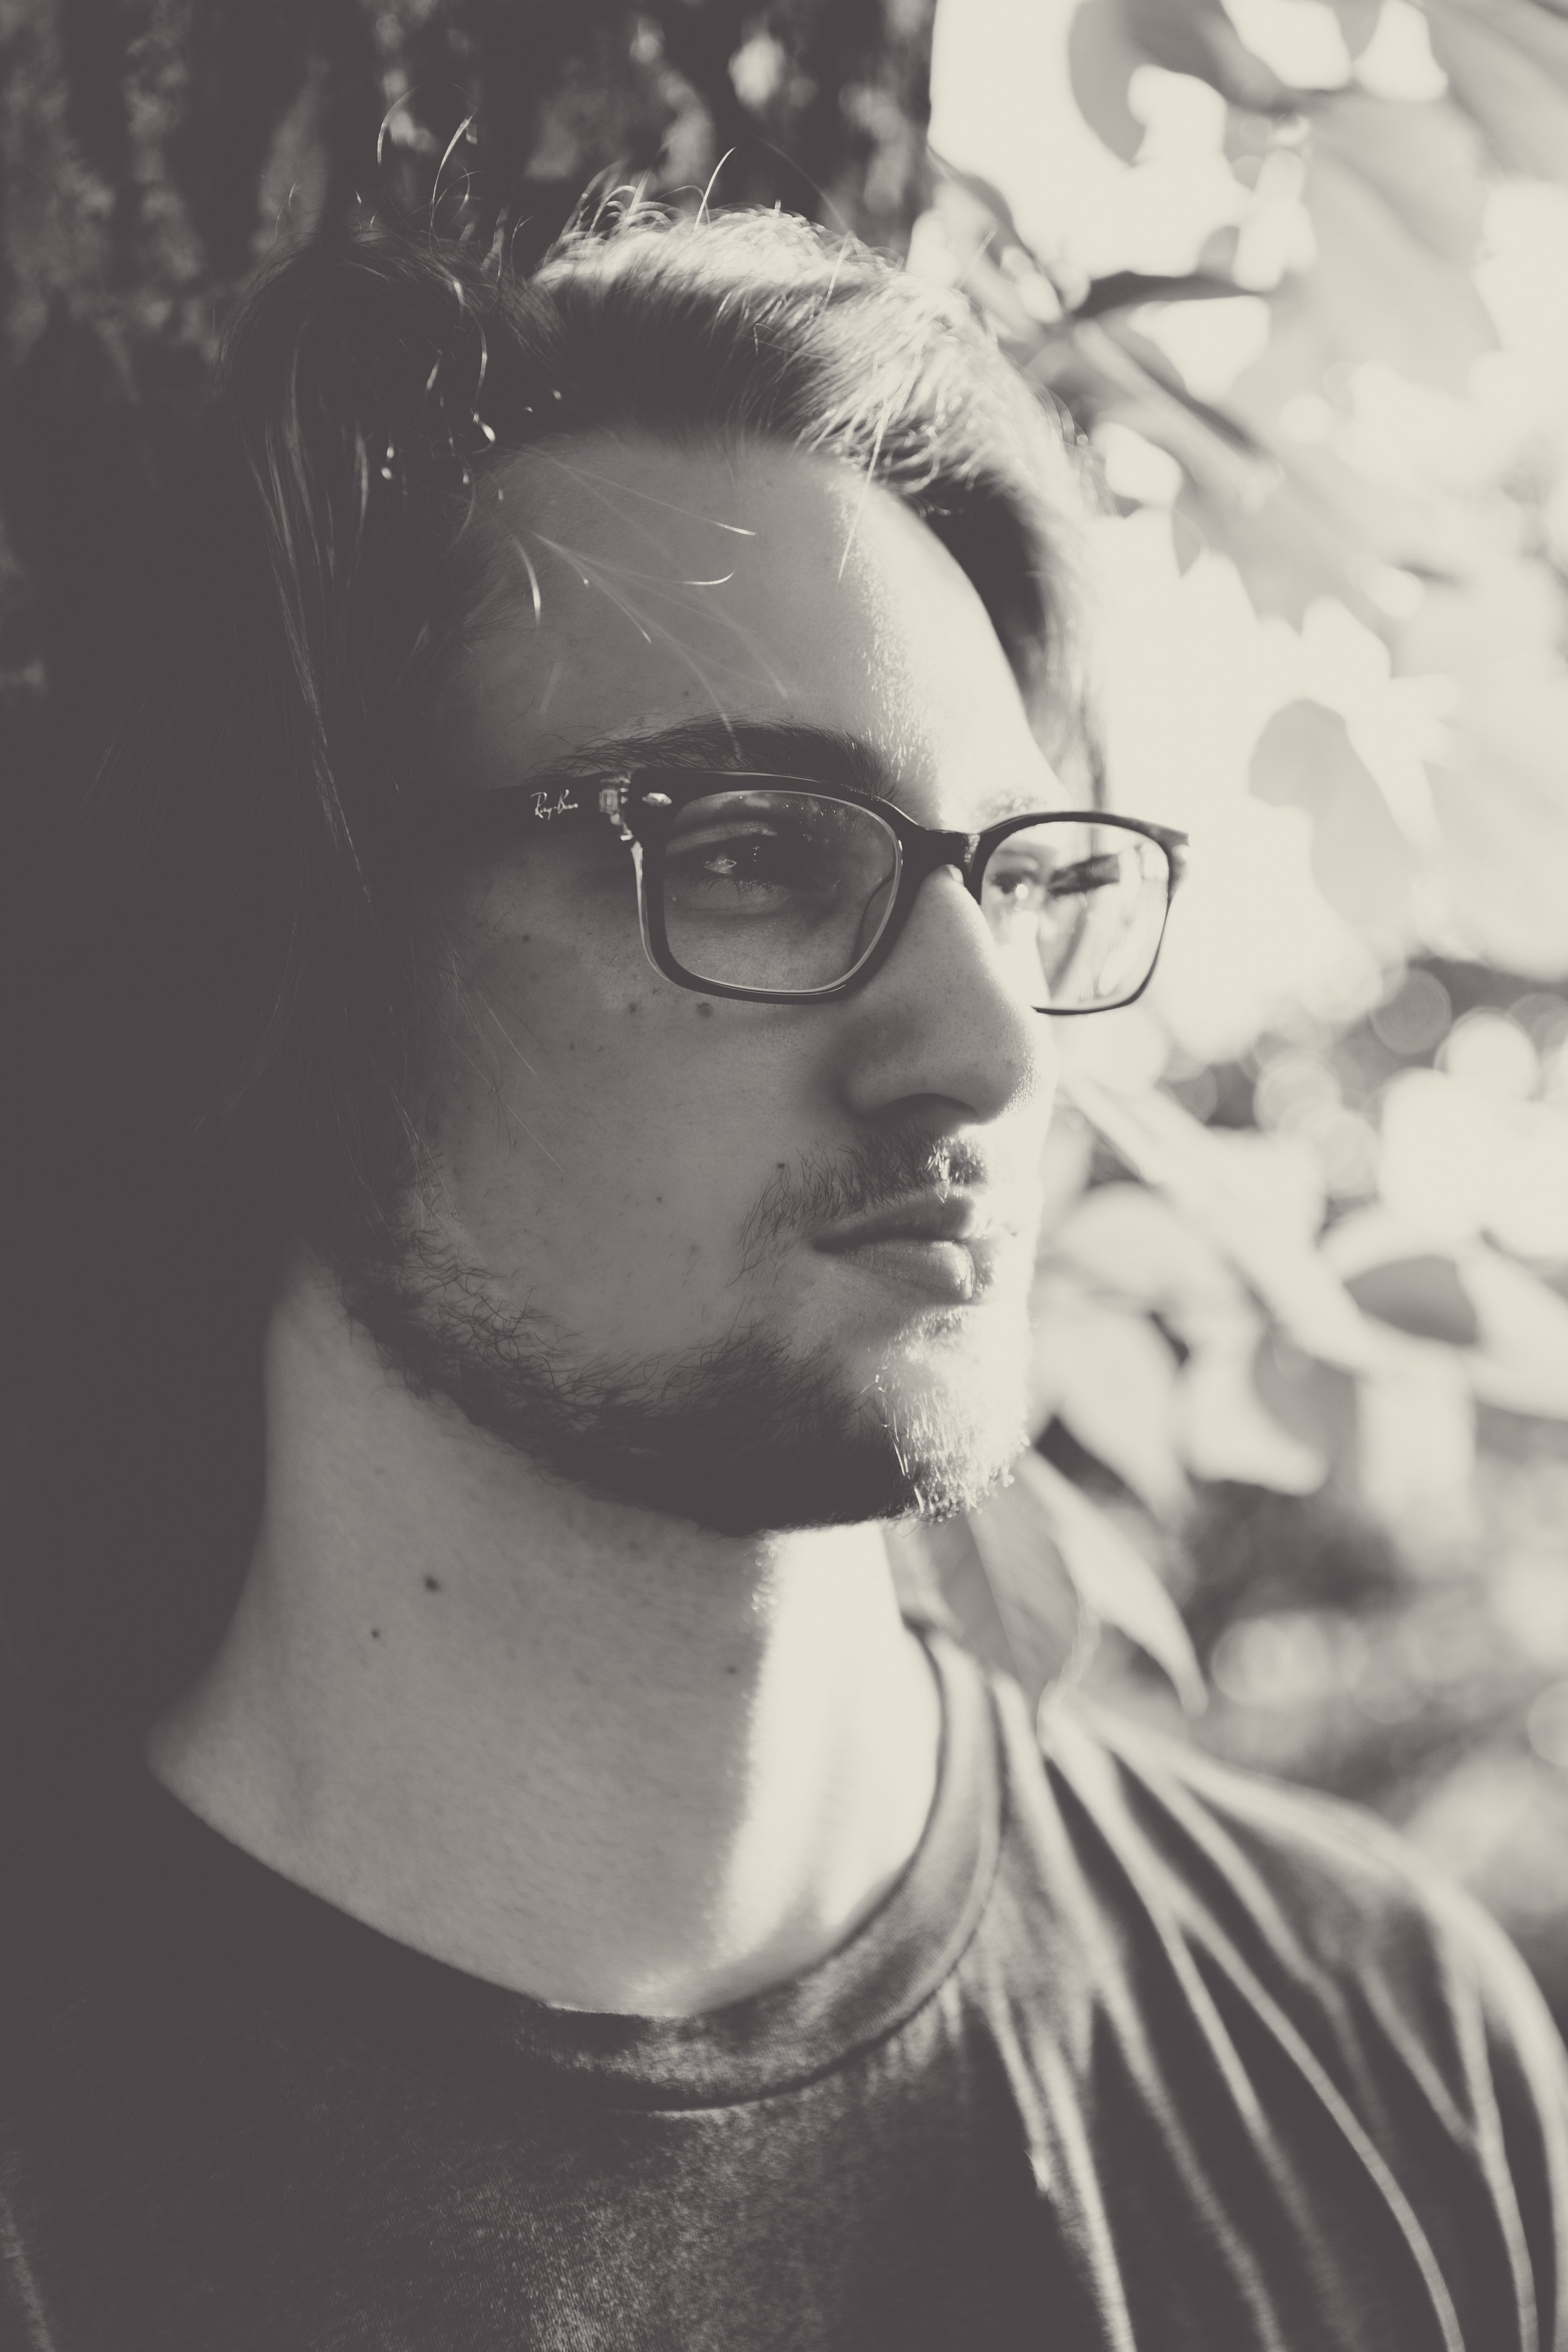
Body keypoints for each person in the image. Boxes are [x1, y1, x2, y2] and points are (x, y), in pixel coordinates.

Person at [1, 195, 1564, 2352]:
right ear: (296, 940)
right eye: (741, 853)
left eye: (1022, 882)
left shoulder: (1391, 2067)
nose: (993, 1041)